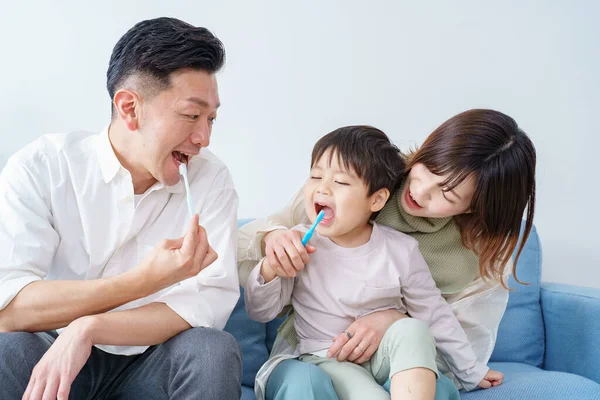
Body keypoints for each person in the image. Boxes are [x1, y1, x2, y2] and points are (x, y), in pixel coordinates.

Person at [0, 17, 241, 400]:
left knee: (212, 350)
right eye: (192, 115)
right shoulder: (42, 167)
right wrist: (144, 281)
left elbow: (205, 307)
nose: (203, 138)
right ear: (130, 108)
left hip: (150, 363)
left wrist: (89, 328)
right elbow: (9, 308)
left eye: (211, 119)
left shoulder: (211, 181)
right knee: (6, 350)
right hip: (51, 353)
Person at [238, 109, 536, 400]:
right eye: (429, 168)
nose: (419, 191)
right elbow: (256, 285)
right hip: (317, 352)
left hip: (393, 357)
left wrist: (468, 368)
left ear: (473, 208)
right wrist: (273, 246)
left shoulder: (417, 251)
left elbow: (437, 317)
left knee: (419, 341)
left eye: (446, 193)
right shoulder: (358, 177)